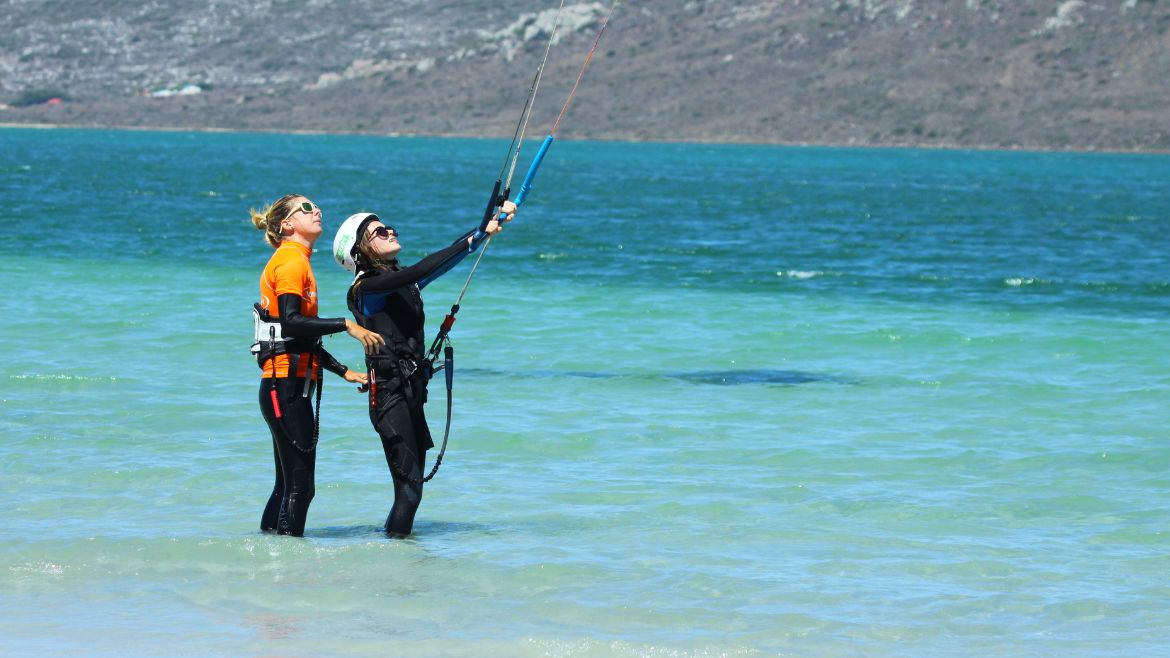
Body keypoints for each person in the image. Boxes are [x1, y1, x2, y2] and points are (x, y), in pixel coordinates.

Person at [332, 202, 515, 537]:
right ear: (360, 250)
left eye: (390, 228)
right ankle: (398, 562)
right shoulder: (367, 289)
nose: (390, 232)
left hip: (410, 391)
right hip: (388, 396)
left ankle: (394, 551)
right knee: (410, 490)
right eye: (379, 232)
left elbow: (443, 262)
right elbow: (418, 270)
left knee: (412, 490)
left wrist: (485, 225)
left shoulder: (398, 284)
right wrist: (470, 238)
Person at [250, 194, 385, 537]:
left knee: (286, 485)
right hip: (286, 389)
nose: (317, 211)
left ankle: (271, 553)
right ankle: (289, 567)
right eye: (307, 208)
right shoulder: (291, 262)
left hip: (284, 388)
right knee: (300, 488)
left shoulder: (296, 260)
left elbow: (295, 337)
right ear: (287, 224)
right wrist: (346, 324)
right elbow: (293, 323)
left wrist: (344, 372)